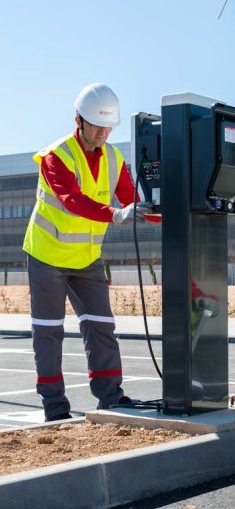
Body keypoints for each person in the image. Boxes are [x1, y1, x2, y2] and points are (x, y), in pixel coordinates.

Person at [22, 83, 151, 421]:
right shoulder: (56, 156)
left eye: (108, 126)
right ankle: (54, 407)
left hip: (87, 258)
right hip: (47, 256)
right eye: (96, 125)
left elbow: (131, 200)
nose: (102, 133)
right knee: (48, 331)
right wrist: (114, 215)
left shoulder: (114, 157)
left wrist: (167, 209)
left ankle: (111, 397)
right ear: (78, 120)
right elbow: (72, 201)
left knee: (101, 325)